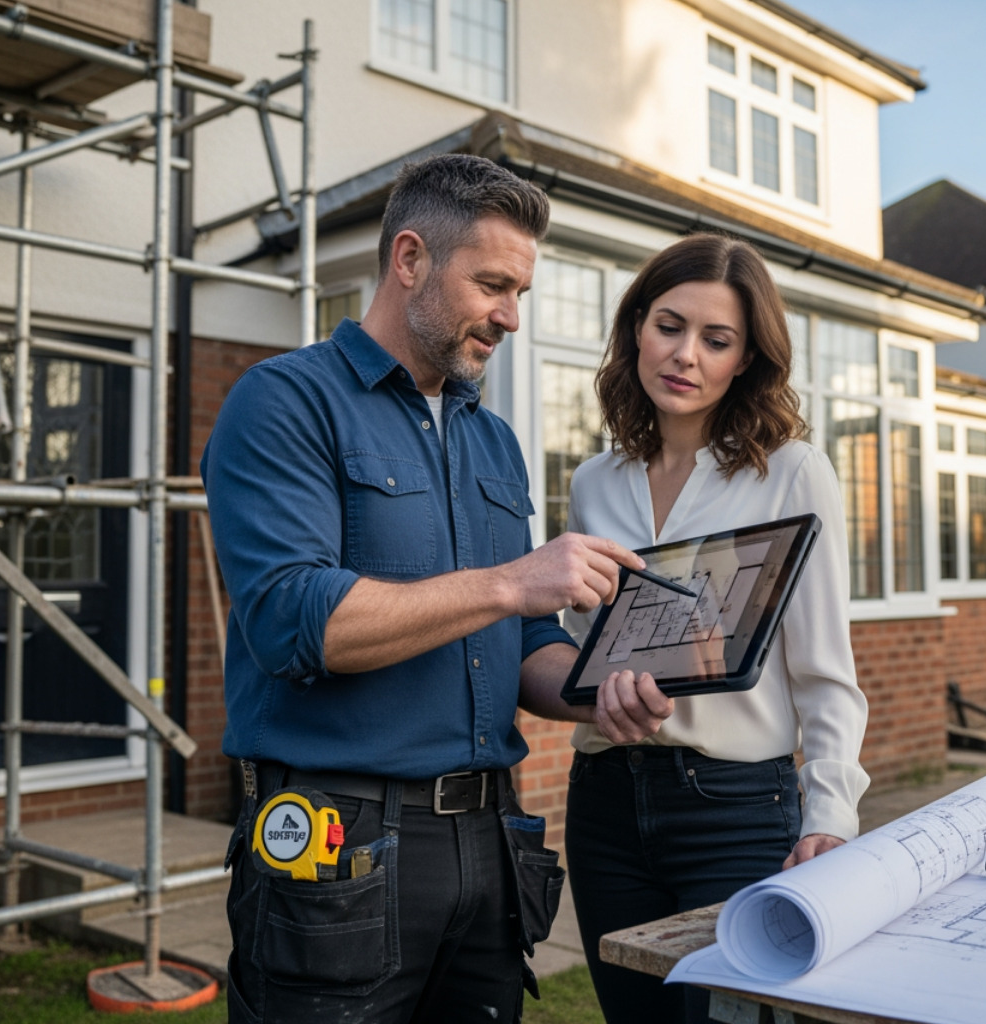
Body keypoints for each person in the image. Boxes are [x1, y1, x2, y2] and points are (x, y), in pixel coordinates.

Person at [200, 153, 672, 1024]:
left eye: (521, 291)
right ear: (409, 258)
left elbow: (522, 641)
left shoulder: (492, 443)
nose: (512, 317)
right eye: (493, 283)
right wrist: (509, 583)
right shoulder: (285, 403)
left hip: (490, 846)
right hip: (338, 846)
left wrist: (601, 689)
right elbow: (295, 622)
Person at [563, 233, 870, 1024]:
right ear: (636, 327)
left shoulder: (792, 472)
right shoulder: (593, 483)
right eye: (669, 325)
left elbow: (826, 671)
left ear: (746, 360)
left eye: (717, 339)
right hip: (602, 804)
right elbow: (585, 645)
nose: (685, 355)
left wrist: (832, 813)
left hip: (733, 808)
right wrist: (599, 690)